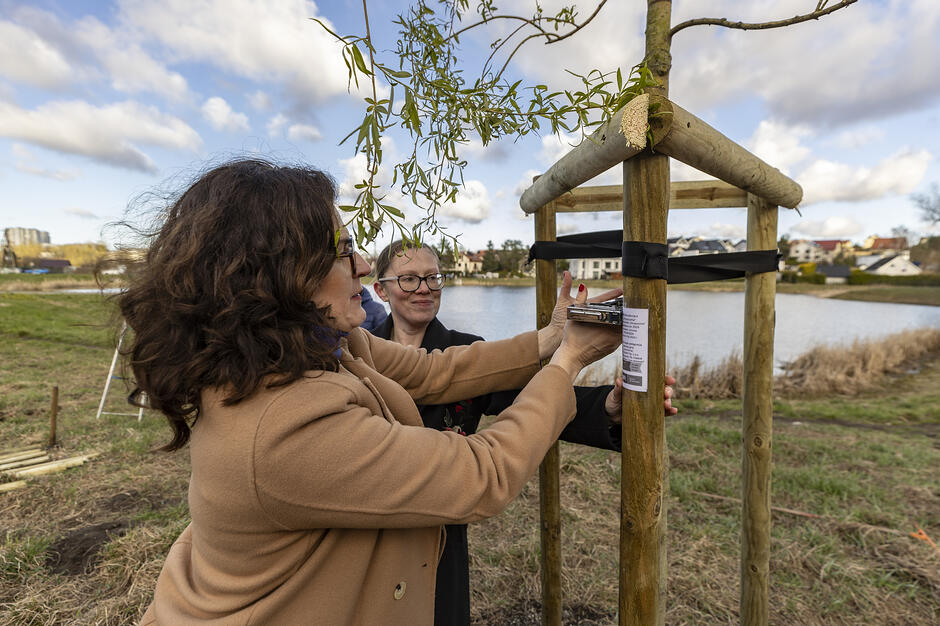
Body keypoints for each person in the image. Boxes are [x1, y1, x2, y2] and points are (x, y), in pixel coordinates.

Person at [121, 159, 631, 625]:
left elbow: (438, 370)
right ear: (279, 276)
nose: (362, 265)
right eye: (343, 251)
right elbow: (483, 473)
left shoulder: (324, 346)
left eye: (432, 278)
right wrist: (570, 360)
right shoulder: (282, 424)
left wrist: (550, 336)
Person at [370, 240, 653, 626]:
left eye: (433, 278)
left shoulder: (470, 353)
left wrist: (608, 407)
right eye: (408, 279)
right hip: (368, 531)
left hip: (439, 536)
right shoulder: (361, 356)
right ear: (380, 290)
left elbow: (533, 400)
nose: (424, 288)